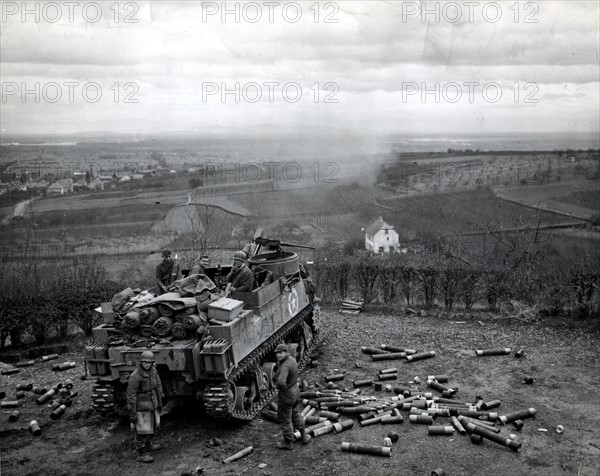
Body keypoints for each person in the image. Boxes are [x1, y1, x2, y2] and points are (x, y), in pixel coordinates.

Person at [126, 351, 164, 463]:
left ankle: (149, 445)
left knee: (152, 427)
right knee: (142, 431)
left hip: (153, 403)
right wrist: (132, 414)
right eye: (145, 362)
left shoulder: (153, 371)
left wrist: (160, 402)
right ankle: (141, 453)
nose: (147, 364)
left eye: (149, 362)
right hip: (141, 406)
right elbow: (131, 396)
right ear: (141, 362)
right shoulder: (135, 376)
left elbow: (158, 386)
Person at [274, 343, 310, 450]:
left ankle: (288, 442)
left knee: (285, 418)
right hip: (295, 391)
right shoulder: (292, 359)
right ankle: (304, 435)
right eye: (277, 353)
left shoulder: (284, 365)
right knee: (295, 414)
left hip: (287, 394)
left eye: (281, 353)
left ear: (286, 352)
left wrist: (282, 387)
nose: (278, 355)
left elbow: (281, 382)